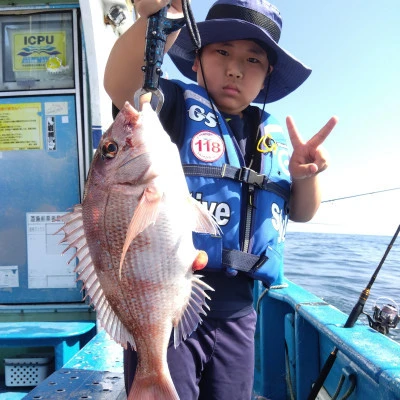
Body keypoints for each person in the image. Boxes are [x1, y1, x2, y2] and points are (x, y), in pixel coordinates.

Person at [104, 0, 338, 399]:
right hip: (167, 304)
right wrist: (157, 20)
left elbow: (300, 212)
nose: (235, 68)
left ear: (266, 79)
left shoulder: (269, 137)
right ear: (196, 61)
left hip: (239, 314)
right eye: (222, 52)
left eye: (253, 60)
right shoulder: (171, 108)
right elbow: (121, 84)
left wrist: (304, 177)